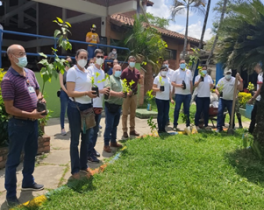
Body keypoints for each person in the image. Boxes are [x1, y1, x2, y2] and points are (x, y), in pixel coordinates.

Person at [1, 44, 45, 207]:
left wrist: (40, 99)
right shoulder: (8, 80)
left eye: (24, 53)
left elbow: (38, 90)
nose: (23, 56)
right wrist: (30, 114)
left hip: (32, 124)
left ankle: (28, 181)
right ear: (11, 57)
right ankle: (11, 194)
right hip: (18, 125)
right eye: (20, 54)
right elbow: (9, 108)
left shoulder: (30, 73)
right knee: (13, 160)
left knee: (31, 154)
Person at [66, 49, 97, 179]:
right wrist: (85, 93)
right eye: (81, 57)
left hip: (88, 107)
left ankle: (84, 166)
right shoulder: (72, 72)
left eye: (85, 57)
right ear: (76, 57)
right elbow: (70, 92)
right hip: (75, 107)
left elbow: (89, 88)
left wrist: (96, 92)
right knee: (75, 140)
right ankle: (75, 170)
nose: (83, 59)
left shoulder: (88, 71)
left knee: (86, 138)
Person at [87, 49, 110, 162]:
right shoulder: (90, 70)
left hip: (99, 104)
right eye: (98, 56)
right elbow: (89, 86)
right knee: (90, 130)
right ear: (94, 58)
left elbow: (104, 86)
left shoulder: (102, 72)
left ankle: (92, 149)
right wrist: (101, 91)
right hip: (91, 104)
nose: (100, 58)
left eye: (102, 56)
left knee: (96, 130)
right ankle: (88, 152)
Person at [121, 56, 144, 139]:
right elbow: (122, 83)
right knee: (125, 113)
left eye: (134, 61)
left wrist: (141, 78)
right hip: (126, 95)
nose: (132, 62)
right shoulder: (124, 72)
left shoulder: (137, 72)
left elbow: (140, 83)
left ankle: (132, 130)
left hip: (134, 94)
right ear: (128, 62)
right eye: (131, 61)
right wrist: (126, 91)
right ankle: (124, 131)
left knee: (133, 113)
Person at [103, 64, 124, 152]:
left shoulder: (121, 81)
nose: (118, 71)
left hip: (118, 106)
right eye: (117, 69)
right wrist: (119, 94)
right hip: (110, 106)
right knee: (109, 125)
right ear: (113, 70)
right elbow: (108, 91)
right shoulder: (109, 79)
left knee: (115, 125)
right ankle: (106, 144)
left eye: (120, 69)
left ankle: (113, 141)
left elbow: (124, 91)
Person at [171, 58, 193, 130]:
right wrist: (179, 85)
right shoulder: (176, 72)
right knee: (177, 109)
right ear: (179, 64)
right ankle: (175, 125)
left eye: (184, 63)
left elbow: (190, 82)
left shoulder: (189, 71)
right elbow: (172, 82)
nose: (183, 64)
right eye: (181, 63)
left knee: (187, 110)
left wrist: (191, 92)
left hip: (187, 94)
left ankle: (187, 125)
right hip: (179, 94)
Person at [153, 65, 174, 133]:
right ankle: (160, 128)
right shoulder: (157, 78)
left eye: (166, 70)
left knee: (166, 114)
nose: (164, 72)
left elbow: (170, 90)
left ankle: (163, 128)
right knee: (160, 114)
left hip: (166, 99)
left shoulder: (168, 79)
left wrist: (171, 98)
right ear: (160, 71)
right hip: (159, 99)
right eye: (163, 70)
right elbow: (153, 88)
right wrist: (159, 89)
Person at [194, 65, 214, 129]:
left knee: (206, 111)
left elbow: (211, 86)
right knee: (198, 111)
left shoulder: (209, 77)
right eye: (203, 70)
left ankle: (206, 125)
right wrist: (200, 80)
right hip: (199, 96)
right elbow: (195, 85)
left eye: (205, 70)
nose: (204, 71)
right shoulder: (197, 77)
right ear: (201, 70)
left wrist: (212, 85)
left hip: (206, 97)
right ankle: (196, 124)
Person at [248, 62, 263, 134]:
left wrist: (252, 98)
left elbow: (260, 89)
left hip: (260, 99)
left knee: (254, 115)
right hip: (259, 98)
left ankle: (251, 131)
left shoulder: (260, 75)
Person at [59, 56, 72, 135]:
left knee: (71, 110)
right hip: (64, 92)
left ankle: (71, 127)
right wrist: (67, 91)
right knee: (63, 110)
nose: (69, 62)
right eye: (67, 61)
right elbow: (61, 84)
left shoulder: (72, 70)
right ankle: (62, 128)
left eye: (70, 61)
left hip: (71, 92)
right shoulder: (62, 71)